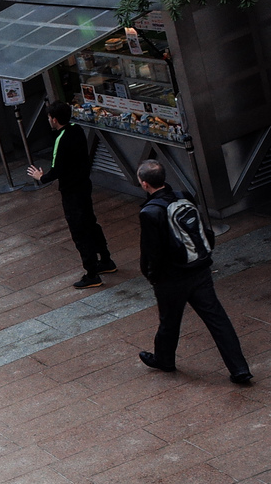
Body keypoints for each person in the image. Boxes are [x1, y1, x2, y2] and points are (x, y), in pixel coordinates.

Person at [136, 160, 252, 385]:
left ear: (144, 184)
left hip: (172, 278)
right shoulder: (184, 196)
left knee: (169, 321)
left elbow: (151, 251)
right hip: (199, 270)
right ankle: (240, 369)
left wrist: (152, 276)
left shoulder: (149, 212)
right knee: (217, 319)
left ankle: (164, 360)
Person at [27, 102, 115, 289]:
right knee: (91, 223)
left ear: (54, 119)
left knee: (79, 231)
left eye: (49, 118)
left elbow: (56, 168)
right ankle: (106, 260)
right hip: (84, 185)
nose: (49, 121)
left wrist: (41, 177)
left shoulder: (61, 138)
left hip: (72, 192)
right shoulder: (77, 129)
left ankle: (91, 274)